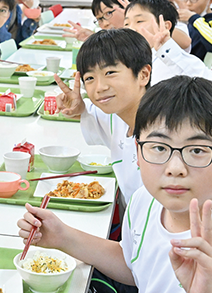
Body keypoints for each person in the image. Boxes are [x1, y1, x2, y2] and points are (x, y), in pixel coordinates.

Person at [18, 76, 212, 293]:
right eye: (159, 147)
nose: (175, 167)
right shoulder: (147, 199)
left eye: (197, 150)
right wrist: (62, 236)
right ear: (137, 151)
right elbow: (133, 266)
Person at [53, 29, 150, 208]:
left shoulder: (164, 137)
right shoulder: (118, 115)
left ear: (143, 75)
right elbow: (91, 112)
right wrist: (80, 107)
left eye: (110, 73)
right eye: (90, 78)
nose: (100, 87)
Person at [122, 0, 212, 85]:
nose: (131, 28)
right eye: (126, 23)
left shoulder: (168, 60)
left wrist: (165, 48)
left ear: (165, 25)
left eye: (139, 21)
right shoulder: (127, 57)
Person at [64, 0, 192, 51]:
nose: (105, 23)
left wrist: (138, 15)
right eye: (100, 19)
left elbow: (186, 42)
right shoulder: (125, 37)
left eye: (109, 13)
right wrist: (94, 37)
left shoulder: (158, 19)